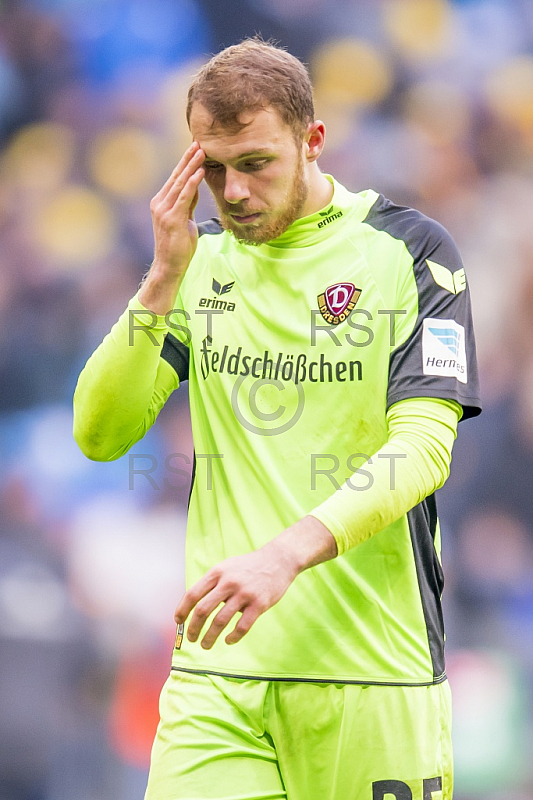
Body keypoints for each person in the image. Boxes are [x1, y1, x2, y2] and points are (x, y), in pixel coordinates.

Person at [73, 37, 481, 800]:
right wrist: (161, 279)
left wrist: (283, 556)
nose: (232, 193)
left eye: (255, 163)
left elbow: (424, 446)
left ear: (311, 140)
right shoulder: (199, 266)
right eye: (213, 168)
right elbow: (100, 435)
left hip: (368, 674)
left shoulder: (411, 253)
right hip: (218, 678)